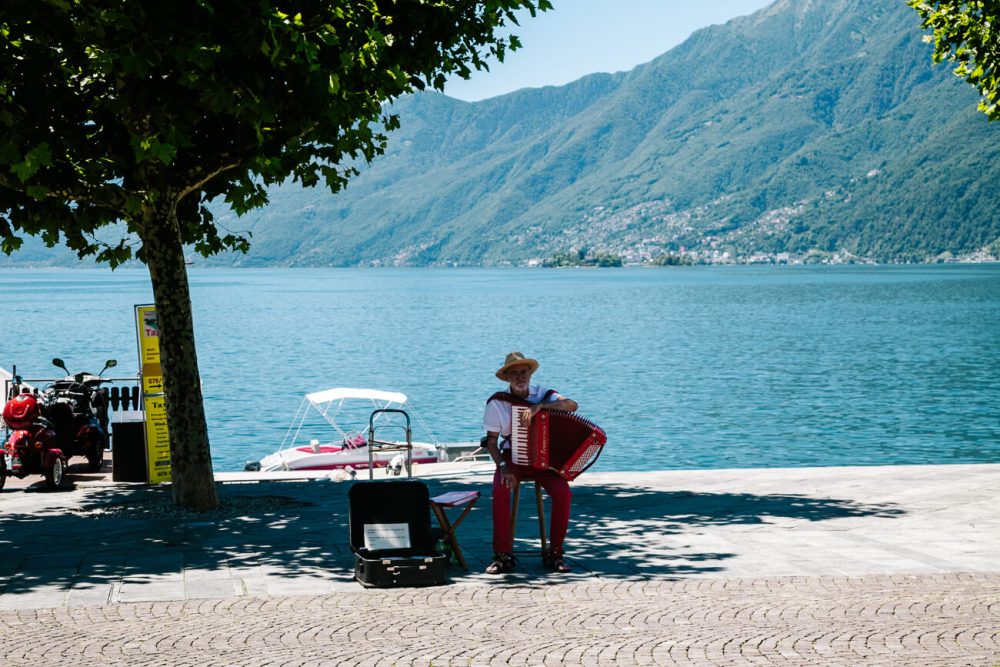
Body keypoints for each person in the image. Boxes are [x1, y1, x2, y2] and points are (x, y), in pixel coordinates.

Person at [482, 352, 579, 574]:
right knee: (500, 491)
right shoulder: (497, 403)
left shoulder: (544, 394)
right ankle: (502, 556)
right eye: (514, 373)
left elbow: (572, 406)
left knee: (563, 492)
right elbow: (491, 442)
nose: (519, 376)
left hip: (544, 462)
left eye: (523, 372)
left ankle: (555, 554)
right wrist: (503, 466)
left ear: (530, 373)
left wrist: (540, 406)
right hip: (511, 459)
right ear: (507, 377)